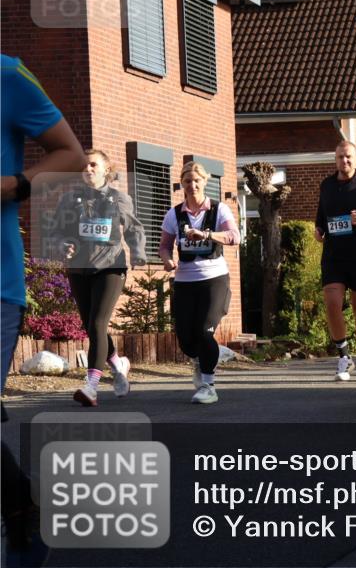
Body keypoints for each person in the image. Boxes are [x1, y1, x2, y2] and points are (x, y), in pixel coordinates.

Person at [2, 54, 86, 568]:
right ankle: (17, 502)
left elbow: (71, 155)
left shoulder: (7, 75)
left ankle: (18, 509)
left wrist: (14, 184)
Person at [55, 150, 147, 406]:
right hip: (79, 269)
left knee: (97, 323)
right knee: (92, 326)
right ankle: (118, 365)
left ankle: (91, 387)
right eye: (84, 166)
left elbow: (134, 228)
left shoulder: (119, 199)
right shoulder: (69, 200)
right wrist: (64, 245)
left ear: (106, 170)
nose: (88, 169)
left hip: (110, 268)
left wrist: (138, 253)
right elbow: (57, 231)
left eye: (94, 165)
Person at [159, 161, 240, 404]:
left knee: (205, 332)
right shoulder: (174, 214)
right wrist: (167, 260)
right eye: (187, 181)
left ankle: (208, 385)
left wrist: (207, 234)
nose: (192, 185)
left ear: (205, 182)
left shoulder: (218, 209)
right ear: (181, 184)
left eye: (196, 180)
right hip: (185, 281)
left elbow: (234, 236)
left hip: (214, 279)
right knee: (186, 338)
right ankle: (198, 360)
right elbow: (164, 246)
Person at [314, 140, 356, 382]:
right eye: (341, 157)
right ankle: (344, 356)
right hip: (334, 256)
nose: (345, 161)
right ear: (335, 159)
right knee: (332, 304)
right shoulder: (327, 185)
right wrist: (318, 229)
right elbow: (321, 215)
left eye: (349, 156)